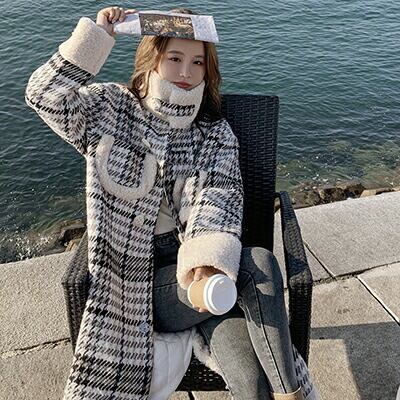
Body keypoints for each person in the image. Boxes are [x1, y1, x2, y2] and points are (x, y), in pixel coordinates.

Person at [25, 6, 318, 400]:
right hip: (137, 285)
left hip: (207, 274)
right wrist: (99, 36)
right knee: (259, 265)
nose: (185, 72)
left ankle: (288, 395)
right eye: (175, 58)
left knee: (252, 380)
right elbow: (43, 95)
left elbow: (219, 197)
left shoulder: (213, 133)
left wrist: (206, 264)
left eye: (197, 62)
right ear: (152, 58)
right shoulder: (110, 109)